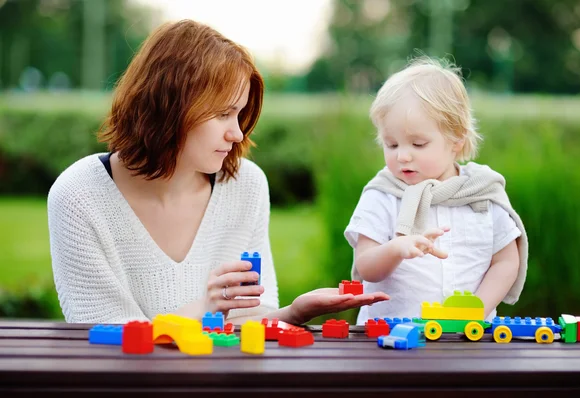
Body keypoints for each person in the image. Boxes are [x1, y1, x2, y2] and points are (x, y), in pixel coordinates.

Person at [47, 20, 389, 325]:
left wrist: (294, 313)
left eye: (239, 115)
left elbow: (246, 321)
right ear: (169, 105)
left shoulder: (245, 185)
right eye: (223, 114)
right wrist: (206, 307)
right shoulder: (80, 196)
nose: (237, 134)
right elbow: (106, 339)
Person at [344, 56, 528, 326]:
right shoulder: (382, 195)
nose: (403, 156)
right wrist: (396, 248)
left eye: (418, 144)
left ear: (456, 140)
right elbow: (366, 267)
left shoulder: (481, 192)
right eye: (392, 144)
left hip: (468, 339)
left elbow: (506, 261)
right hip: (390, 336)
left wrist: (475, 312)